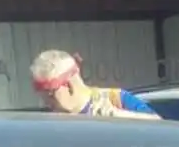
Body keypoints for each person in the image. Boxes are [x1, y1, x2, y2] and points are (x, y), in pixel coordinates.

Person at [30, 50, 160, 119]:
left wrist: (120, 117)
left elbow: (161, 126)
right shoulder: (52, 122)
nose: (46, 103)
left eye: (50, 94)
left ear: (69, 85)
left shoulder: (116, 99)